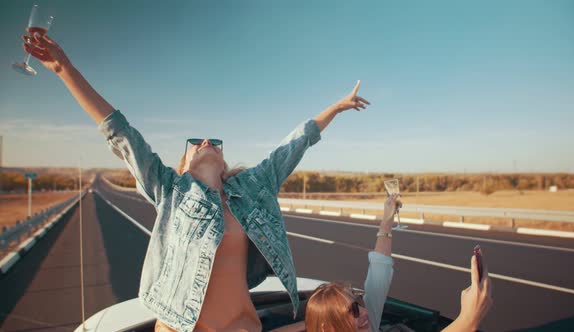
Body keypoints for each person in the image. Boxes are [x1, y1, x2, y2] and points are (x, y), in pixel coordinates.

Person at [22, 32, 371, 332]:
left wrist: (335, 108)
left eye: (214, 143)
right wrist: (63, 68)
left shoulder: (251, 188)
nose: (206, 143)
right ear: (184, 164)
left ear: (223, 162)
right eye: (196, 143)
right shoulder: (171, 190)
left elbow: (294, 144)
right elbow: (119, 131)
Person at [273, 194, 493, 332]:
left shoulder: (367, 324)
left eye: (358, 302)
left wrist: (386, 220)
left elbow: (379, 270)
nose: (364, 311)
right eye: (352, 311)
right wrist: (469, 319)